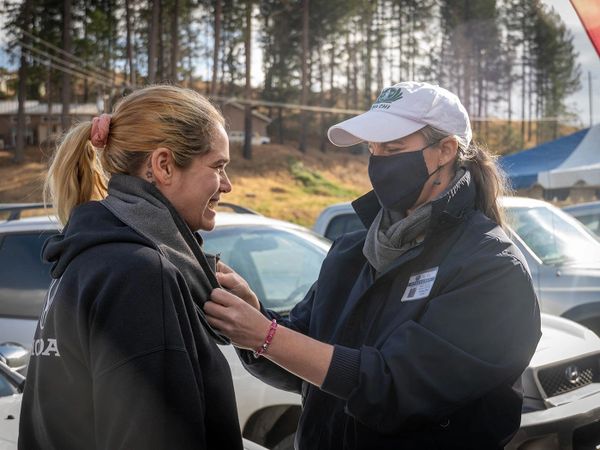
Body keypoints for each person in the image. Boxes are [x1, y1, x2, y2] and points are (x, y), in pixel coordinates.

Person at [204, 81, 541, 450]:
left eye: (393, 148)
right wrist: (254, 318)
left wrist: (265, 335)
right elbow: (303, 355)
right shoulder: (352, 252)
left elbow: (393, 387)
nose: (378, 161)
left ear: (445, 150)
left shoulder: (491, 266)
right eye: (372, 148)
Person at [19, 85, 243, 450]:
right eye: (218, 166)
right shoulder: (139, 274)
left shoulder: (89, 258)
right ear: (164, 165)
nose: (227, 185)